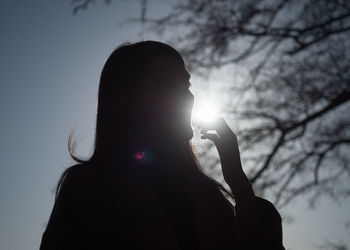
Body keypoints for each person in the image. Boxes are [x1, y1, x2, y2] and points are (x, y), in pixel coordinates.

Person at [39, 41, 285, 250]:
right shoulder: (89, 189)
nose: (187, 96)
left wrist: (239, 185)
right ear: (129, 101)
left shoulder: (207, 196)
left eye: (186, 84)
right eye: (169, 84)